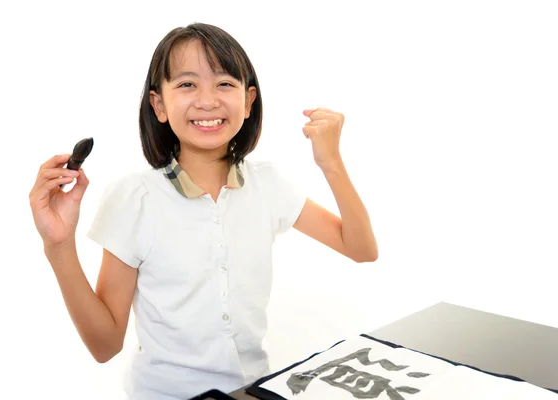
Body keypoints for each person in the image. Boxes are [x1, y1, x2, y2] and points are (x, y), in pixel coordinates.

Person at [29, 22, 378, 400]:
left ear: (248, 101)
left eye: (224, 83)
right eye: (187, 84)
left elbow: (361, 249)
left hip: (251, 392)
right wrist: (58, 246)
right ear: (158, 105)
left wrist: (331, 162)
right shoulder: (135, 197)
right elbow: (105, 346)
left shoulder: (267, 185)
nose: (208, 100)